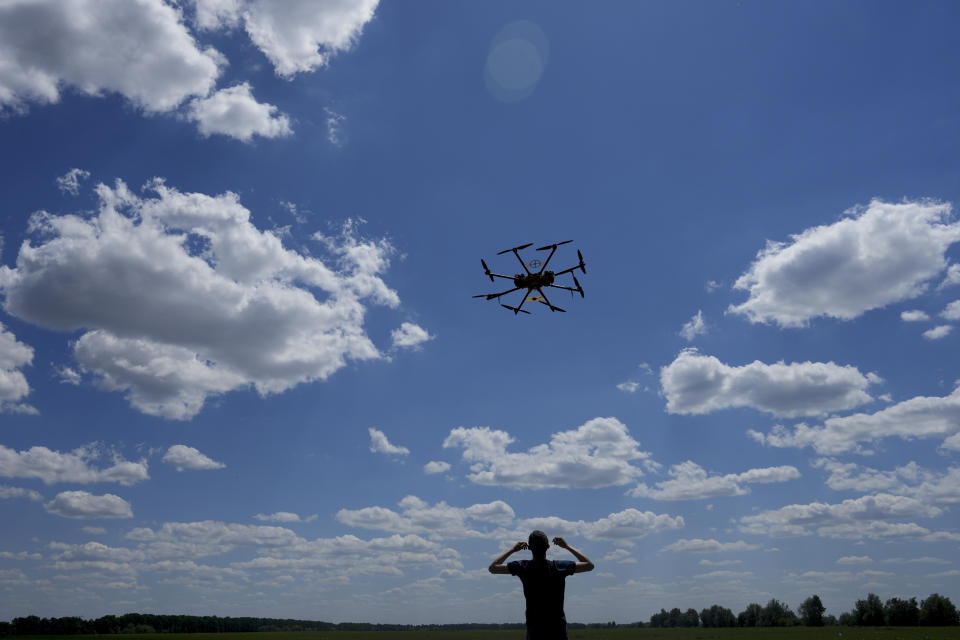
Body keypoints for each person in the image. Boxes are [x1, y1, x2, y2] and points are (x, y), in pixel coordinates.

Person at [488, 530, 594, 640]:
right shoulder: (558, 567)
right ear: (548, 546)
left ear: (529, 548)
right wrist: (567, 546)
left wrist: (512, 550)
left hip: (535, 631)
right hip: (558, 631)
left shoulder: (523, 567)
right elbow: (589, 565)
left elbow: (493, 568)